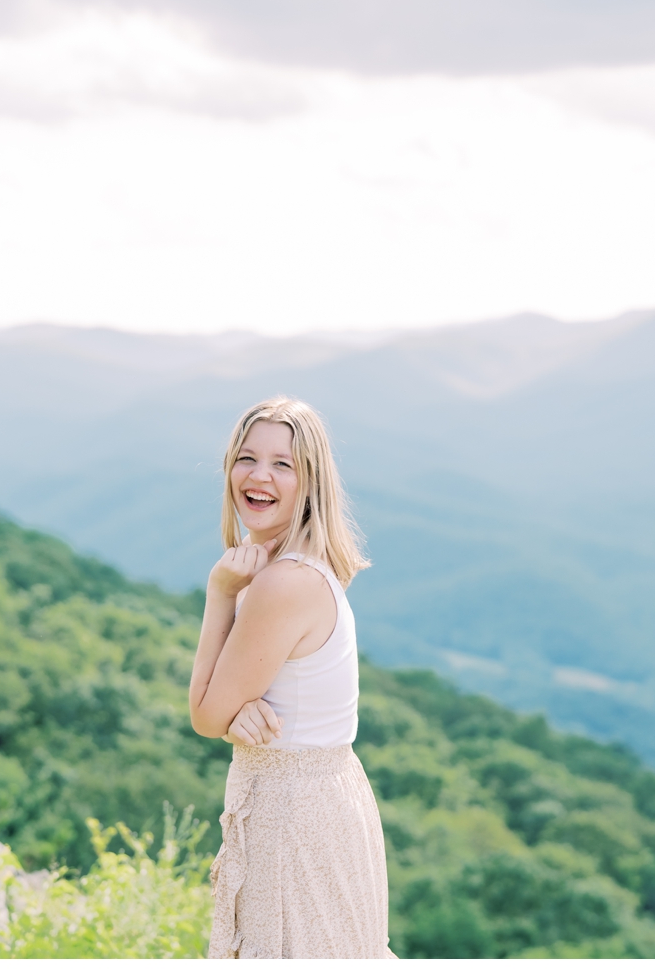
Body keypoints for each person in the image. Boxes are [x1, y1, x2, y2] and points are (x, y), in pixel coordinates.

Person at [190, 396, 394, 959]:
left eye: (283, 463)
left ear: (311, 480)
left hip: (293, 818)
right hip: (322, 800)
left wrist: (220, 594)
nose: (259, 476)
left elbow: (205, 715)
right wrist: (236, 716)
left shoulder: (282, 583)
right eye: (246, 457)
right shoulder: (306, 566)